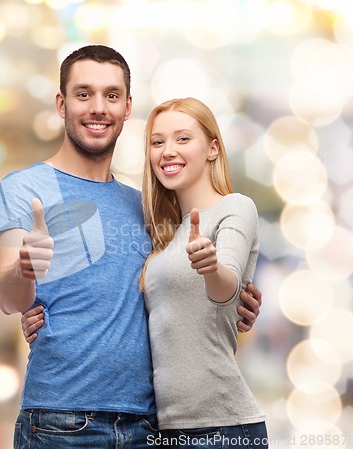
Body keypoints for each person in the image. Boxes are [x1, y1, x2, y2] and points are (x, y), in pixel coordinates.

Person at [0, 45, 262, 449]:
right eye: (84, 94)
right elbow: (8, 296)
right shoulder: (22, 189)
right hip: (61, 421)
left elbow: (183, 287)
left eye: (111, 95)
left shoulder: (148, 207)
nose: (98, 107)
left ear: (127, 107)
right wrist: (23, 270)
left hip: (151, 426)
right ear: (61, 104)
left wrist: (240, 296)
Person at [140, 97, 268, 448]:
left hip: (224, 428)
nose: (168, 151)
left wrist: (210, 268)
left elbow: (226, 287)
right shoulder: (164, 234)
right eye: (157, 142)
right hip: (165, 429)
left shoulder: (236, 208)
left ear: (212, 149)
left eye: (183, 139)